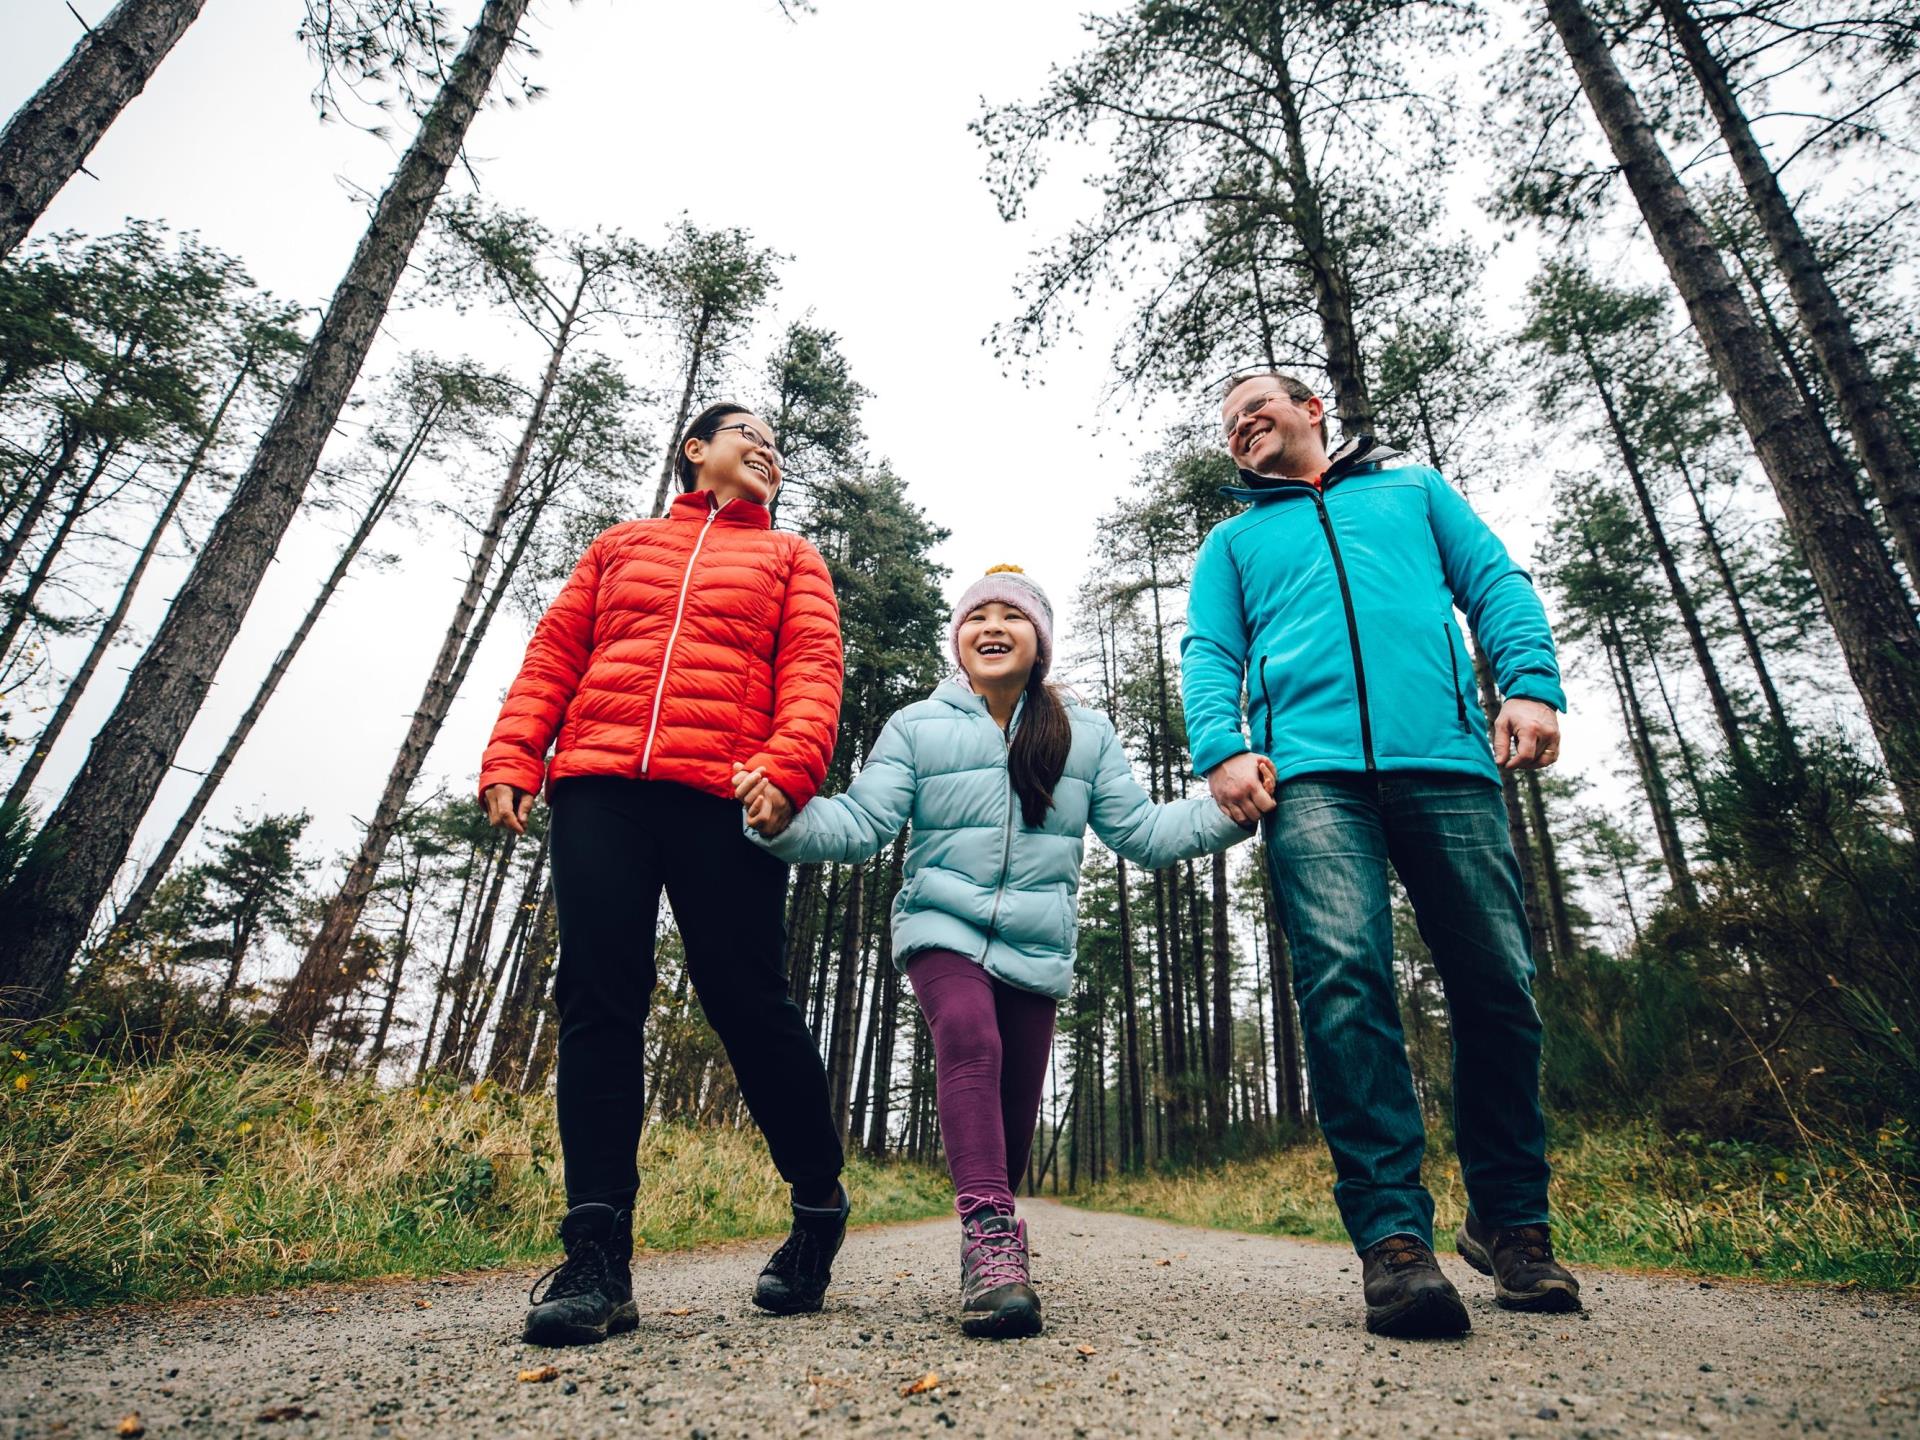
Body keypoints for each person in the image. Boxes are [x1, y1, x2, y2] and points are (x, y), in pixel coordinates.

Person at [734, 565, 1259, 1339]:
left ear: (1038, 640)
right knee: (968, 1040)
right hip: (941, 927)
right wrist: (782, 824)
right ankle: (989, 1233)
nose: (992, 627)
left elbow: (1143, 834)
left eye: (1012, 616)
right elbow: (860, 822)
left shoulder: (1085, 734)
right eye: (978, 614)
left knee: (1013, 1114)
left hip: (1037, 945)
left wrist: (1227, 814)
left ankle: (994, 1241)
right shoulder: (916, 726)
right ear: (959, 638)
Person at [1180, 373, 1582, 1339]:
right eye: (1227, 424)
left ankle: (1514, 1221)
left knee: (1498, 986)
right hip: (1313, 780)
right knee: (1346, 986)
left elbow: (1495, 584)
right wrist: (1223, 748)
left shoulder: (1413, 492)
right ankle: (1394, 1241)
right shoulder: (1232, 542)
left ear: (1313, 409)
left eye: (1255, 408)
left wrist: (1527, 683)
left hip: (1446, 761)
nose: (1240, 426)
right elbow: (1207, 651)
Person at [479, 402, 850, 1347]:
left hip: (725, 794)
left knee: (747, 1003)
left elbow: (811, 670)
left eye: (777, 443)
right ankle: (597, 1256)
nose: (766, 447)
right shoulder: (620, 546)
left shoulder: (790, 560)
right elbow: (555, 653)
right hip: (600, 784)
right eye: (748, 434)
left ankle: (816, 1205)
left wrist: (791, 771)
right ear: (696, 451)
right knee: (599, 1001)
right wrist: (515, 754)